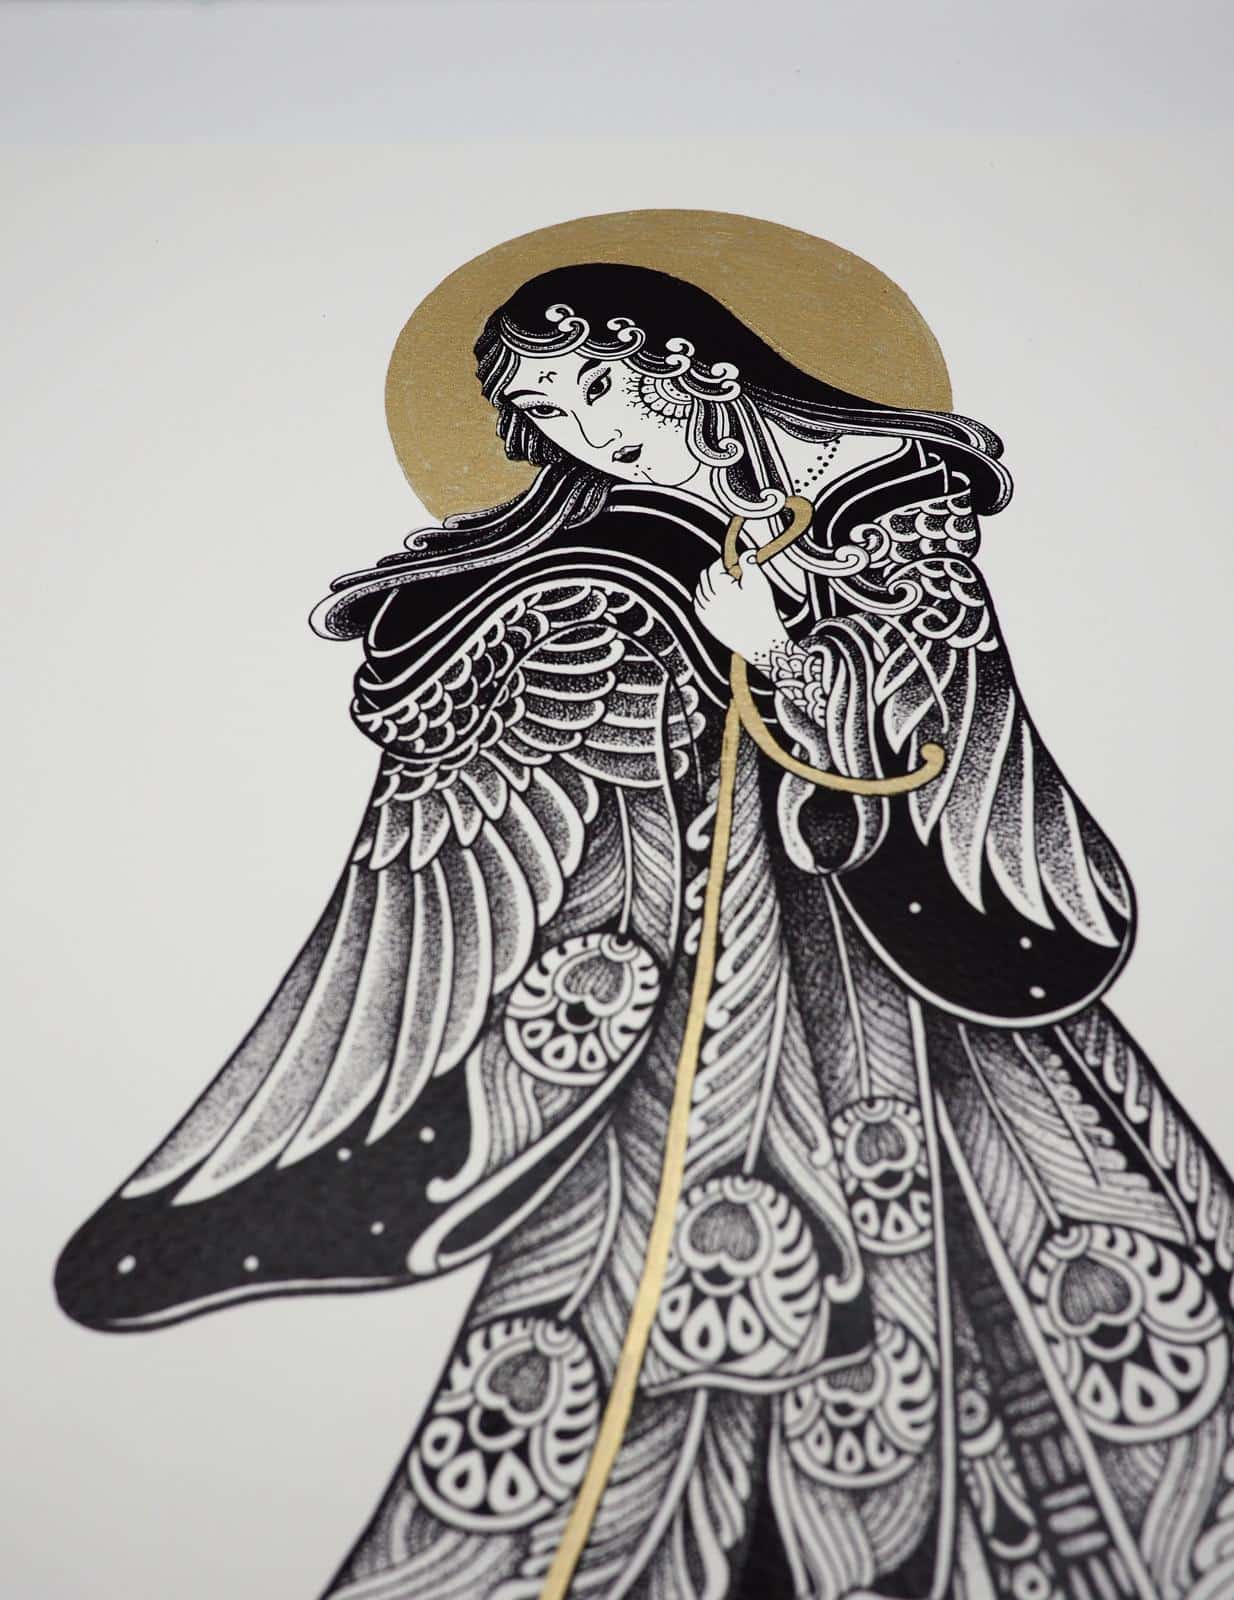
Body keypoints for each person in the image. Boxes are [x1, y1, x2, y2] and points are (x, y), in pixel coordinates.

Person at [57, 263, 1234, 1600]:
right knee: (644, 1262)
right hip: (702, 952)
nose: (593, 432)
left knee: (1009, 1262)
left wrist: (779, 651)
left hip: (901, 950)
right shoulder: (610, 534)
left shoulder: (887, 491)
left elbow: (947, 724)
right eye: (554, 414)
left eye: (602, 387)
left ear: (689, 359)